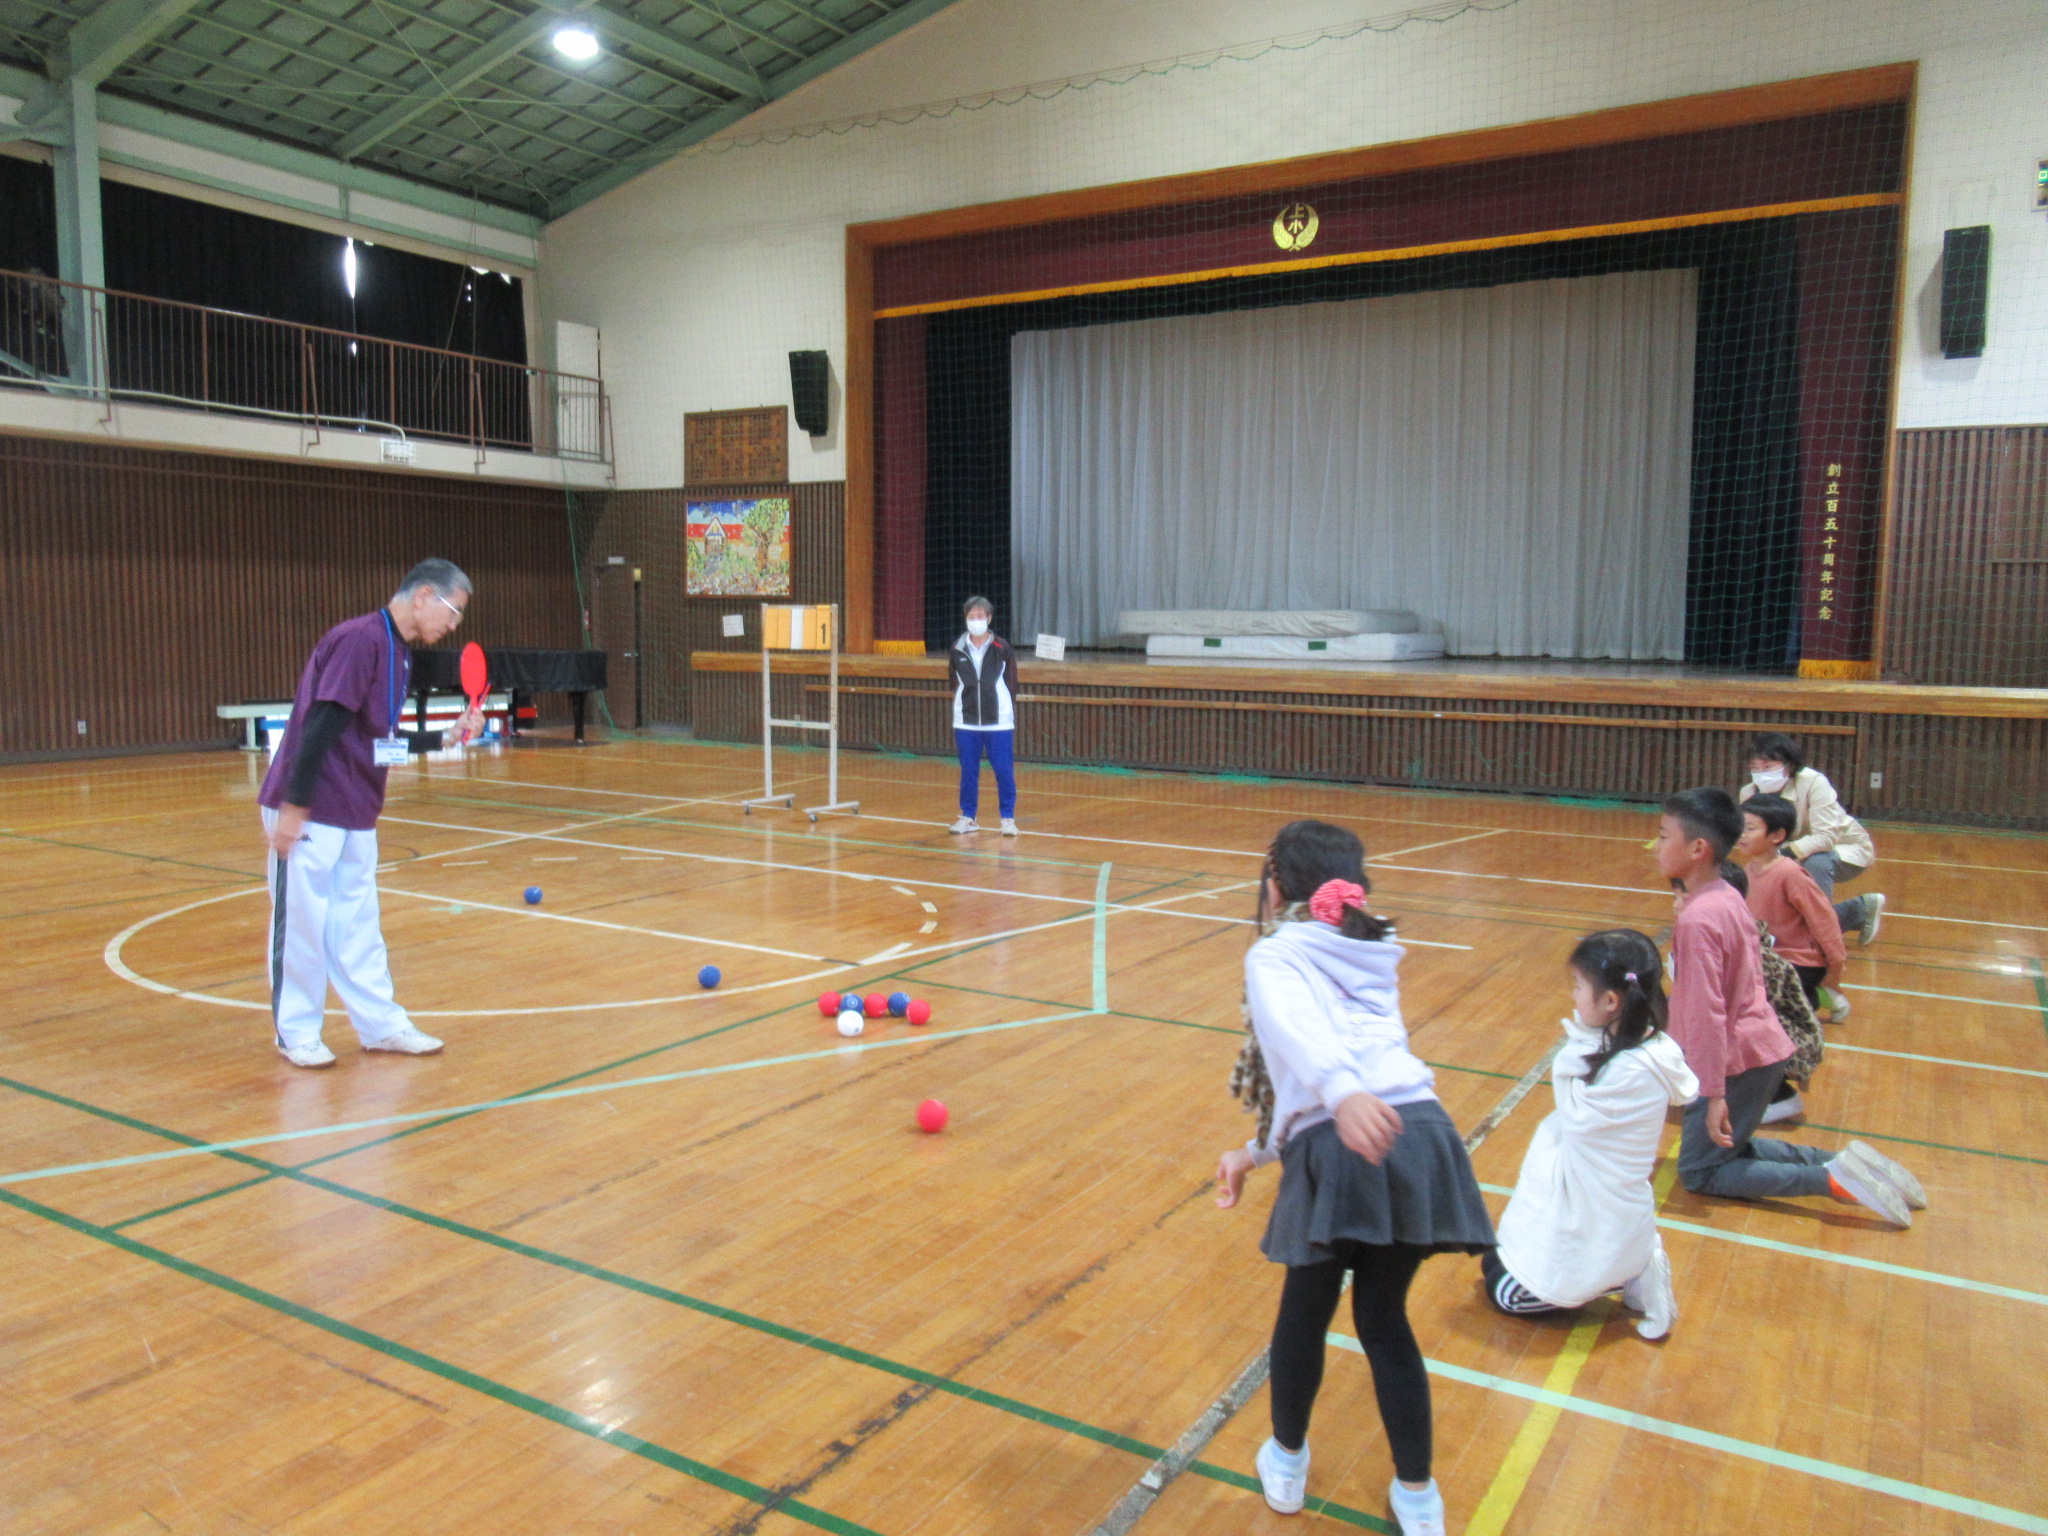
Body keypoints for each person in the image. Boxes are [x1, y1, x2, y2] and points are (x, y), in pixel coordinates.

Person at [1216, 820, 1493, 1535]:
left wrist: (1341, 1093)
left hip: (1349, 1131)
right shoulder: (1369, 948)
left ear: (1278, 883)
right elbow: (1315, 1071)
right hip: (1422, 1130)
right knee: (1383, 1318)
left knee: (1303, 1316)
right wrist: (1256, 1153)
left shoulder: (1275, 955)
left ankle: (1285, 1464)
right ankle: (1419, 1499)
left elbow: (1299, 1036)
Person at [1654, 788, 1923, 1225]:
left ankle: (1831, 1181)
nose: (1656, 846)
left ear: (1698, 848)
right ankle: (1840, 1162)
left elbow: (1707, 1013)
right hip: (1758, 1047)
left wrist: (1713, 1092)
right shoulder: (1726, 894)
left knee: (1700, 1171)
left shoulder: (1699, 918)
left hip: (1733, 1061)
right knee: (1730, 1144)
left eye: (1664, 836)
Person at [257, 560, 484, 1069]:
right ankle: (295, 1032)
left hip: (357, 811)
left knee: (358, 925)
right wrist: (295, 805)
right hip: (313, 809)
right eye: (453, 612)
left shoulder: (399, 653)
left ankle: (380, 1026)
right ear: (424, 595)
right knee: (302, 924)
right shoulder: (361, 640)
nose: (452, 626)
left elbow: (377, 742)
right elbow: (321, 725)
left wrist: (443, 738)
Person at [1483, 930, 1696, 1341]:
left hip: (1601, 1208)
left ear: (1611, 1002)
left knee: (1502, 1292)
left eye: (1579, 987)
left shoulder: (1631, 1069)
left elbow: (1578, 1122)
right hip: (1605, 1206)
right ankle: (1627, 1267)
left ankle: (1631, 1268)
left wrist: (1570, 1057)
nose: (1574, 997)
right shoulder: (1639, 1046)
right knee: (1494, 1259)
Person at [1738, 733, 1884, 1001]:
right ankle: (1859, 909)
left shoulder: (1814, 782)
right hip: (1785, 856)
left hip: (1840, 851)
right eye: (1754, 767)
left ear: (1789, 765)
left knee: (1815, 870)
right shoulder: (1748, 793)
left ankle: (1818, 953)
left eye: (1768, 767)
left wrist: (1783, 853)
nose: (1760, 773)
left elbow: (1826, 837)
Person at [947, 595, 1020, 836]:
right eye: (971, 617)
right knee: (968, 771)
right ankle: (969, 817)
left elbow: (1012, 682)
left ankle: (1007, 818)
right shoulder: (957, 648)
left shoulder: (1002, 647)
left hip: (998, 722)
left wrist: (1003, 709)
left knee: (1003, 769)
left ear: (989, 618)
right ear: (965, 619)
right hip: (966, 722)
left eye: (980, 616)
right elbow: (953, 682)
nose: (975, 620)